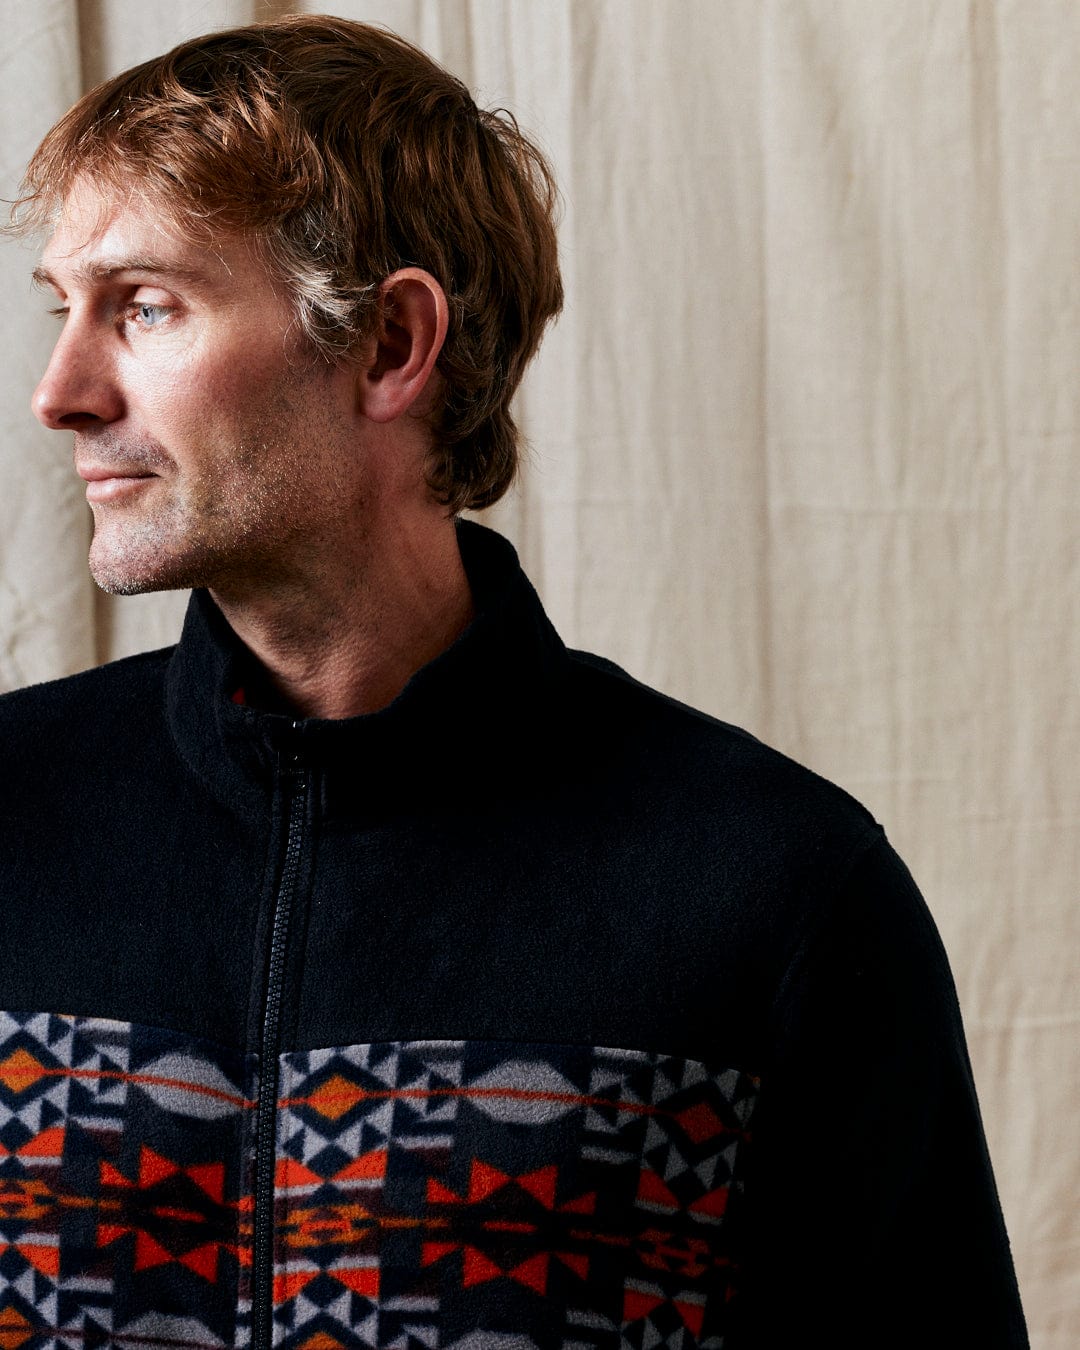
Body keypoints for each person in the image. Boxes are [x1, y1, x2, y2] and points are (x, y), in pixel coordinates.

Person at [0, 15, 1027, 1349]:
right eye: (63, 309)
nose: (61, 390)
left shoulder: (772, 892)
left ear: (387, 343)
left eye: (144, 305)